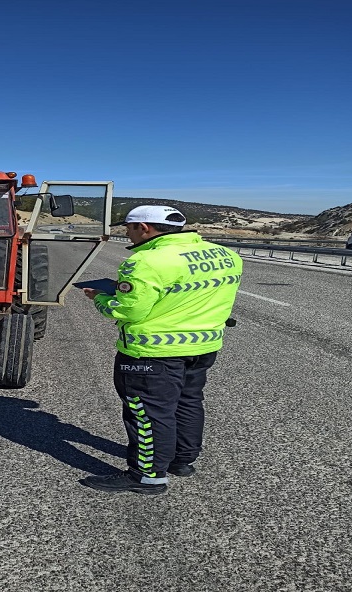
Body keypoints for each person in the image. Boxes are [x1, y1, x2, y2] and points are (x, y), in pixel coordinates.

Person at [80, 205, 243, 495]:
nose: (126, 234)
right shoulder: (225, 255)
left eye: (128, 228)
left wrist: (101, 298)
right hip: (203, 346)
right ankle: (182, 461)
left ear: (144, 228)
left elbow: (129, 311)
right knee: (188, 402)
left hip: (153, 352)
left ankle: (148, 477)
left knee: (148, 413)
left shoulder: (146, 261)